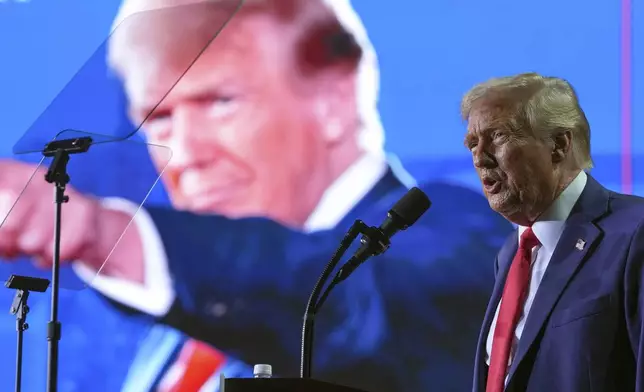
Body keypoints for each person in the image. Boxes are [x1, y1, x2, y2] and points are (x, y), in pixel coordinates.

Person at [0, 0, 513, 391]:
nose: (185, 152)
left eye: (221, 102)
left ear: (335, 99)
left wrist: (96, 231)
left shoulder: (456, 239)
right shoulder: (190, 319)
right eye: (160, 117)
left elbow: (348, 305)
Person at [463, 72, 644, 392]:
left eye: (498, 136)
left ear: (559, 144)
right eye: (473, 144)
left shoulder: (634, 234)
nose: (479, 158)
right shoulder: (510, 254)